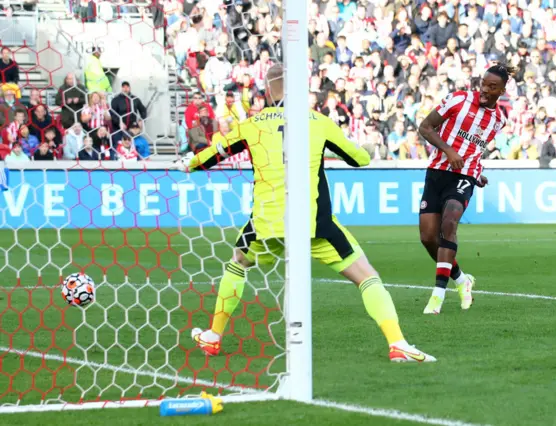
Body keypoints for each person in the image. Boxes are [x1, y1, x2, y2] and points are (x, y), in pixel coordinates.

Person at [175, 64, 436, 363]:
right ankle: (397, 343)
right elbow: (359, 159)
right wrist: (360, 148)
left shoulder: (253, 124)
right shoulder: (318, 122)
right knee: (367, 277)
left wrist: (188, 163)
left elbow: (214, 154)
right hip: (313, 221)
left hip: (267, 221)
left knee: (238, 264)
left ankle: (213, 336)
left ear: (267, 90)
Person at [417, 63, 515, 315]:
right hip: (438, 171)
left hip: (464, 175)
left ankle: (437, 297)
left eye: (492, 87)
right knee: (429, 238)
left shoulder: (499, 120)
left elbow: (474, 151)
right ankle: (461, 279)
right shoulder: (458, 100)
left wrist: (477, 173)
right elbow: (425, 128)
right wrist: (448, 151)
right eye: (483, 83)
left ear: (502, 90)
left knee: (449, 222)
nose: (484, 90)